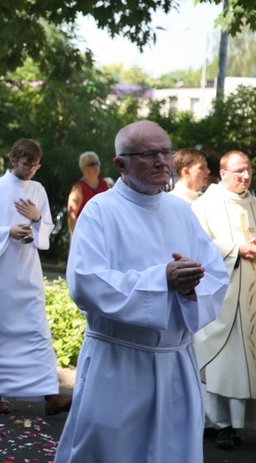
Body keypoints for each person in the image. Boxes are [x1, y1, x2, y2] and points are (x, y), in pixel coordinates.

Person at [54, 120, 229, 463]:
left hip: (174, 361)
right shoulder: (101, 211)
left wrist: (192, 289)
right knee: (110, 451)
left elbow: (216, 275)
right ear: (121, 164)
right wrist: (160, 279)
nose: (163, 161)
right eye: (150, 154)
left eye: (167, 151)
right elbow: (85, 282)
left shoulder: (181, 211)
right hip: (118, 362)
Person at [0, 138, 70, 416]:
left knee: (37, 329)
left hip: (28, 267)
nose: (32, 171)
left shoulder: (37, 189)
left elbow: (46, 228)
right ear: (13, 160)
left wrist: (37, 219)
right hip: (1, 267)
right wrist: (7, 232)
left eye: (36, 166)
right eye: (28, 164)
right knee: (1, 329)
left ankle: (50, 395)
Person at [191, 150, 256, 449]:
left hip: (250, 296)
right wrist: (236, 249)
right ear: (223, 173)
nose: (245, 176)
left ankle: (235, 423)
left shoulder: (253, 202)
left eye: (248, 170)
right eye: (239, 171)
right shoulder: (205, 204)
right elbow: (197, 244)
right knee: (218, 358)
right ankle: (217, 424)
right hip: (221, 296)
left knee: (242, 362)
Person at [66, 151, 109, 236]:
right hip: (85, 235)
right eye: (92, 164)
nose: (96, 166)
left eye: (97, 163)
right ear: (83, 168)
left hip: (103, 233)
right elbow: (72, 218)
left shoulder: (105, 184)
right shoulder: (78, 189)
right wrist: (75, 238)